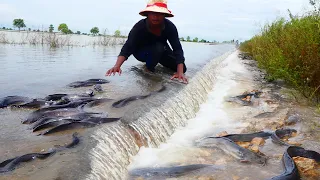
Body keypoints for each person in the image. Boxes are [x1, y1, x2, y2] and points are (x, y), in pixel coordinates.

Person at [105, 0, 188, 84]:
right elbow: (128, 47)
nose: (156, 16)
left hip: (161, 50)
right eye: (152, 13)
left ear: (164, 15)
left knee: (183, 69)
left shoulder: (170, 27)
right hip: (141, 52)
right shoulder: (139, 27)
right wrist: (117, 66)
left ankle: (156, 62)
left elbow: (177, 48)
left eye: (159, 13)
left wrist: (179, 72)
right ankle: (148, 69)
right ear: (147, 14)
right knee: (158, 47)